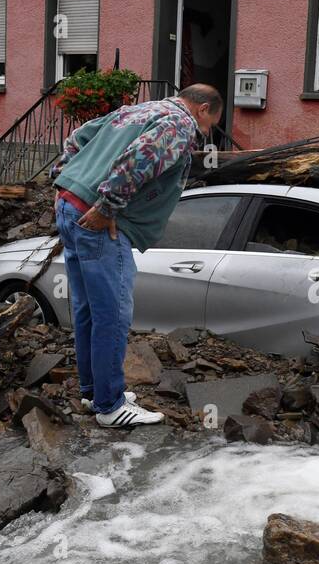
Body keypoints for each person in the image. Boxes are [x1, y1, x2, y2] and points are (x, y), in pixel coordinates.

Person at [49, 84, 224, 428]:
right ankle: (111, 407)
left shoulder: (135, 111)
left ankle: (93, 391)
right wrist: (107, 206)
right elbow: (140, 158)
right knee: (113, 313)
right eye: (209, 125)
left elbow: (77, 137)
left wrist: (62, 183)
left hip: (71, 210)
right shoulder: (179, 122)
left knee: (88, 308)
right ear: (202, 109)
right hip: (98, 222)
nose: (203, 134)